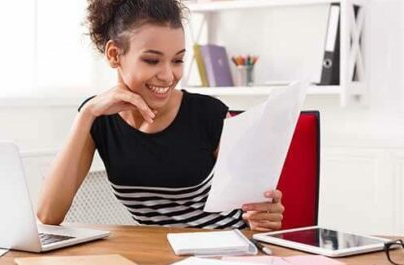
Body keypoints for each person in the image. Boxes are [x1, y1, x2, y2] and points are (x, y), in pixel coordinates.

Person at [37, 0, 284, 231]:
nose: (168, 75)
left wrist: (265, 213)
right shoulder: (98, 118)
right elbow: (48, 215)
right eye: (152, 60)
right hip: (157, 255)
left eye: (177, 60)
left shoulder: (210, 115)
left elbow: (258, 208)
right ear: (114, 55)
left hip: (225, 253)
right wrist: (86, 114)